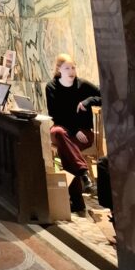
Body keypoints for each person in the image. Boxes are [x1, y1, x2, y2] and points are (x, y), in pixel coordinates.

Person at [45, 53, 101, 214]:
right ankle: (84, 173)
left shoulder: (82, 85)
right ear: (59, 70)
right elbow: (55, 115)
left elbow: (105, 94)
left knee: (66, 151)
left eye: (73, 68)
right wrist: (74, 130)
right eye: (67, 68)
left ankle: (77, 202)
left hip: (84, 133)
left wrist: (88, 101)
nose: (71, 71)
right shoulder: (51, 87)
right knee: (58, 133)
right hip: (64, 131)